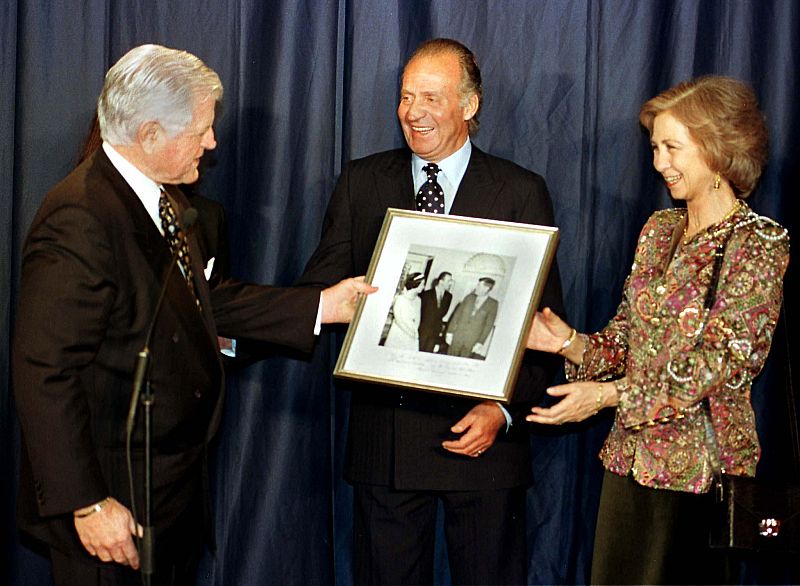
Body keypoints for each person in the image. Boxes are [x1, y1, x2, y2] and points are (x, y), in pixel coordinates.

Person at [13, 44, 374, 586]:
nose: (212, 142)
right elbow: (44, 372)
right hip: (114, 501)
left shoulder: (166, 204)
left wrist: (323, 305)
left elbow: (204, 300)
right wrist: (87, 504)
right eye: (202, 129)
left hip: (169, 498)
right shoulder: (81, 216)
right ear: (151, 134)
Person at [298, 38, 563, 585]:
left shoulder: (519, 191)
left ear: (469, 106)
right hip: (386, 445)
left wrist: (503, 411)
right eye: (405, 97)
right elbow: (319, 293)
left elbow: (544, 329)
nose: (413, 113)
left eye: (431, 98)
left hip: (485, 446)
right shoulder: (361, 182)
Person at [525, 75, 789, 584]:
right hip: (628, 465)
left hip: (698, 478)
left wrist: (606, 398)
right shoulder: (658, 231)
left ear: (718, 149)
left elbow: (721, 362)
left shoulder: (759, 243)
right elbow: (626, 340)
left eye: (672, 148)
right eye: (655, 147)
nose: (658, 163)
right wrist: (567, 342)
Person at [445, 277, 498, 359]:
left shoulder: (493, 304)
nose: (476, 287)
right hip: (457, 337)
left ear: (486, 288)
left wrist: (480, 342)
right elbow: (456, 315)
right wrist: (449, 332)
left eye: (479, 285)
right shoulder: (469, 297)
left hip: (472, 341)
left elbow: (488, 326)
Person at [383, 272, 425, 350]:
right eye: (422, 284)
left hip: (412, 333)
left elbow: (418, 319)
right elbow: (399, 320)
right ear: (416, 284)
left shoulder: (418, 300)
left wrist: (414, 332)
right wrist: (409, 333)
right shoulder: (400, 299)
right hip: (399, 333)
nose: (423, 287)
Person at [418, 271, 453, 352]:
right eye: (449, 281)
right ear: (441, 282)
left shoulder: (449, 296)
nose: (450, 283)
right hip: (423, 330)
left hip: (435, 332)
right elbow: (420, 313)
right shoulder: (426, 294)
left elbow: (443, 313)